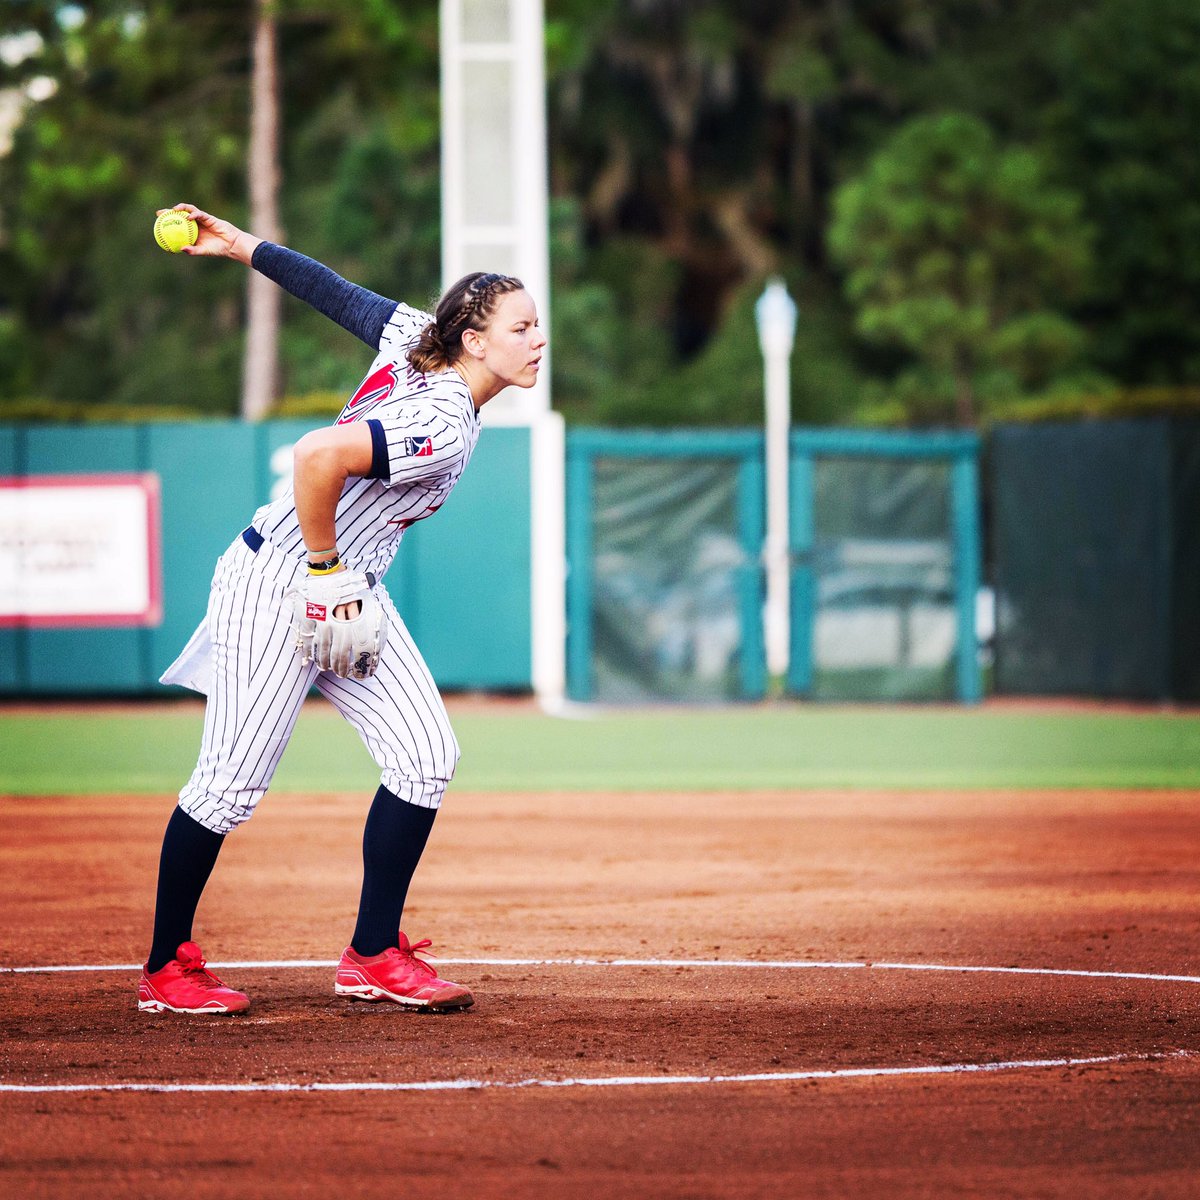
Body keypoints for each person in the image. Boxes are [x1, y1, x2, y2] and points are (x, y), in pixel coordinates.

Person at [136, 204, 546, 1015]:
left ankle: (373, 952)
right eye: (522, 327)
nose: (539, 340)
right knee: (228, 787)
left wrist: (241, 245)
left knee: (425, 755)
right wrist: (324, 569)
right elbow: (318, 454)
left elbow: (333, 292)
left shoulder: (416, 338)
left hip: (344, 586)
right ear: (474, 341)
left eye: (537, 325)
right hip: (283, 581)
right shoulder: (443, 421)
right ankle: (165, 968)